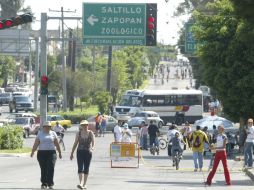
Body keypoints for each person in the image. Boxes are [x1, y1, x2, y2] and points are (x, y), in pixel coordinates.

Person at [30, 121, 62, 189]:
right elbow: (36, 143)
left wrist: (59, 153)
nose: (47, 128)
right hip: (41, 153)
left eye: (49, 127)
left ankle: (50, 184)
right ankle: (44, 183)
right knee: (43, 168)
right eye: (46, 127)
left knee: (51, 167)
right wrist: (33, 151)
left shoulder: (53, 133)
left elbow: (57, 143)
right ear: (43, 127)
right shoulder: (40, 134)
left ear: (50, 127)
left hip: (52, 152)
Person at [70, 120, 95, 190]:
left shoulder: (90, 133)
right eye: (83, 125)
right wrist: (72, 153)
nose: (84, 126)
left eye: (86, 125)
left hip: (88, 152)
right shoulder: (79, 133)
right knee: (80, 167)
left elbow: (93, 142)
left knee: (86, 168)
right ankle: (81, 183)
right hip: (80, 152)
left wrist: (92, 148)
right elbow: (75, 143)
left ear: (87, 125)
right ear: (81, 126)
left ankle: (84, 184)